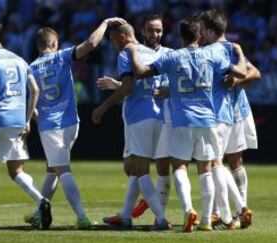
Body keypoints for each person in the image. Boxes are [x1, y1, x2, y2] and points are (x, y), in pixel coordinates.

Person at [126, 16, 247, 232]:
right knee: (206, 169)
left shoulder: (172, 57)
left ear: (180, 36)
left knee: (180, 167)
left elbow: (141, 72)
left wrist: (134, 51)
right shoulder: (210, 56)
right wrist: (238, 55)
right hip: (208, 120)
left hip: (182, 120)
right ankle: (207, 220)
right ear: (199, 36)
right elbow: (241, 73)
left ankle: (188, 208)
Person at [25, 18, 127, 229]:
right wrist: (106, 23)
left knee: (62, 170)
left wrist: (34, 119)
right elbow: (91, 43)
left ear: (39, 46)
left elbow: (31, 98)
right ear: (54, 44)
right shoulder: (63, 56)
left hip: (51, 126)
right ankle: (38, 212)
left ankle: (82, 217)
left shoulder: (30, 68)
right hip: (72, 122)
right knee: (53, 169)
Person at [0, 19, 52, 229]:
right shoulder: (20, 60)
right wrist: (27, 120)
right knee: (16, 171)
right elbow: (35, 90)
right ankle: (41, 199)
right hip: (17, 120)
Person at [92, 23, 171, 230]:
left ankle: (161, 218)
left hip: (138, 116)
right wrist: (117, 85)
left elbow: (128, 88)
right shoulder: (157, 54)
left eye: (113, 40)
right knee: (133, 168)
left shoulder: (127, 52)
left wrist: (104, 105)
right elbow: (141, 84)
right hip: (159, 116)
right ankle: (126, 215)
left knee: (138, 168)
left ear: (124, 37)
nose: (112, 44)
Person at [198, 9, 260, 229]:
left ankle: (230, 212)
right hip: (230, 112)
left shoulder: (225, 50)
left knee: (223, 162)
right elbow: (251, 72)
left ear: (210, 29)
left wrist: (235, 79)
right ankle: (235, 211)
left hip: (231, 111)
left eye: (203, 28)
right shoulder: (230, 49)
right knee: (224, 162)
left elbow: (254, 73)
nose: (200, 33)